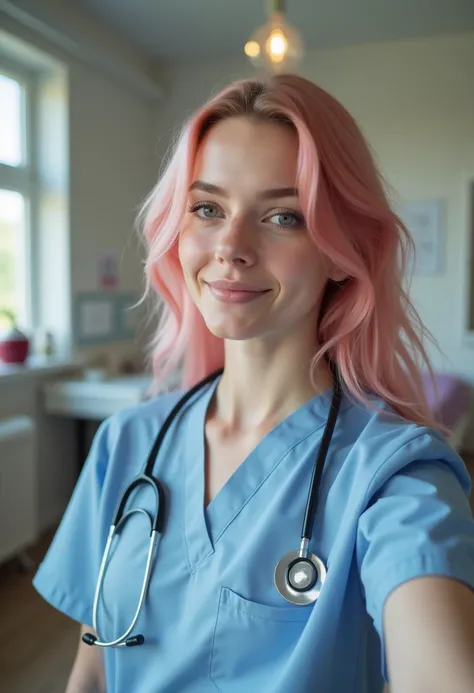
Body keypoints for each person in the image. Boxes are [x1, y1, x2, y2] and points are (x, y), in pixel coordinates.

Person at [33, 74, 474, 693]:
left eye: (283, 216)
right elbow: (93, 666)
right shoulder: (126, 445)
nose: (231, 247)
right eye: (207, 209)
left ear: (341, 252)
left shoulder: (394, 478)